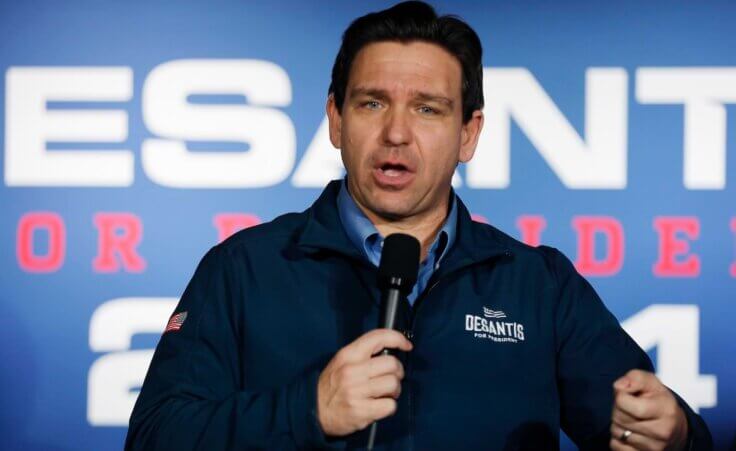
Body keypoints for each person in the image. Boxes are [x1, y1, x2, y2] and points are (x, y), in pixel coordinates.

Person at [125, 2, 712, 450]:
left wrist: (674, 431)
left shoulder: (538, 284)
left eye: (428, 108)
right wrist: (307, 411)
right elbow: (154, 435)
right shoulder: (246, 268)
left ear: (469, 133)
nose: (397, 133)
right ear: (335, 119)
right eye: (372, 103)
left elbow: (643, 420)